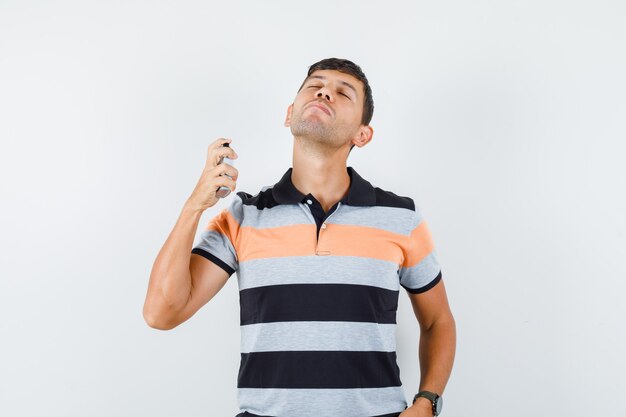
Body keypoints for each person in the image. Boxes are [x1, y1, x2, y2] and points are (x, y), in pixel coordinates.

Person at [143, 58, 456, 417]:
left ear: (362, 134)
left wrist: (427, 404)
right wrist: (193, 207)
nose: (325, 91)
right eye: (315, 85)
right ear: (290, 113)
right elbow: (161, 313)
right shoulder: (244, 216)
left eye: (343, 92)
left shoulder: (401, 219)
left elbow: (438, 321)